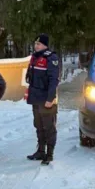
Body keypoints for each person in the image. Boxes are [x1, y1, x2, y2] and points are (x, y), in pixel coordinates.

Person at [26, 34, 61, 165]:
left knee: (49, 127)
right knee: (38, 125)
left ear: (45, 45)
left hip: (46, 98)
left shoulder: (51, 58)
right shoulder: (34, 58)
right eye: (35, 44)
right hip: (35, 97)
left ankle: (49, 154)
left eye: (39, 44)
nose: (36, 46)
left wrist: (50, 98)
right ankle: (40, 151)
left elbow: (54, 80)